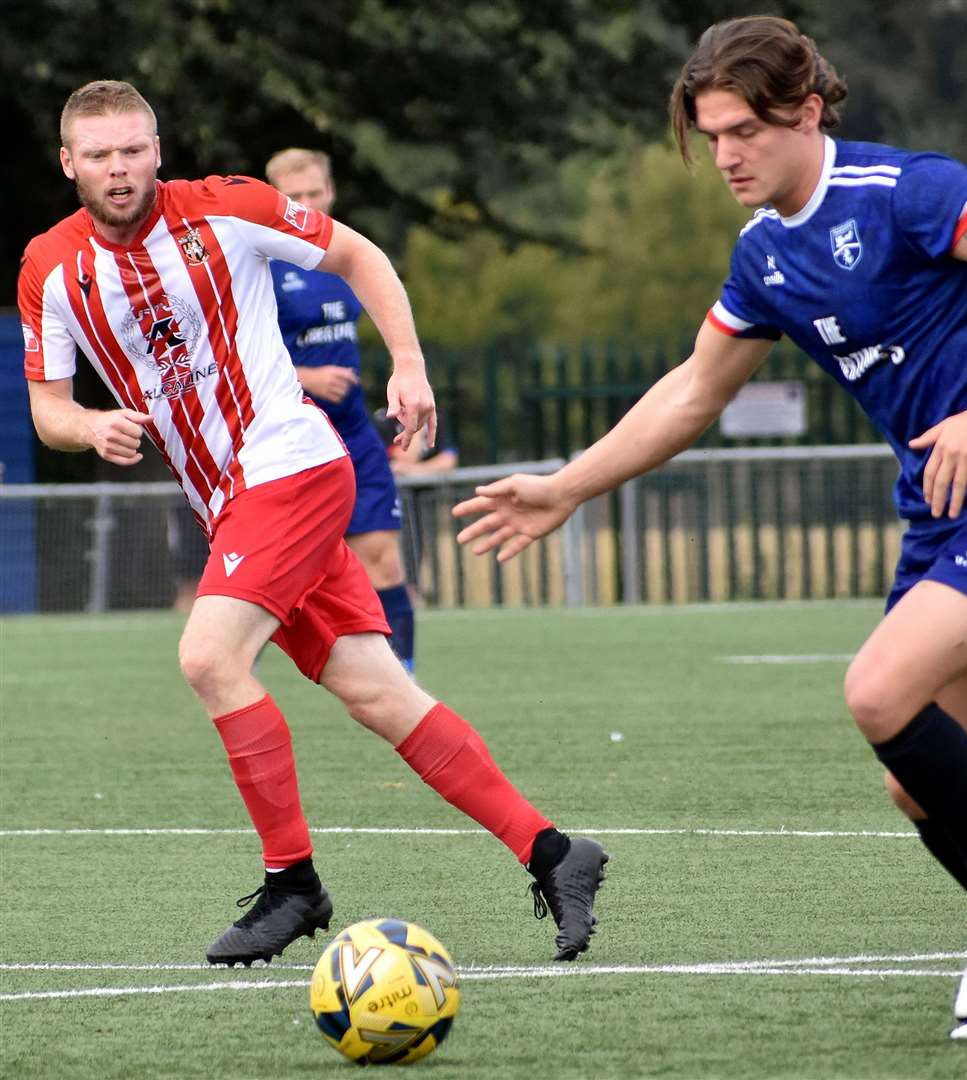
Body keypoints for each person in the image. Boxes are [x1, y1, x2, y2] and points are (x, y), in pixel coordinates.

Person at [455, 16, 967, 1038]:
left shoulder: (901, 192)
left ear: (805, 112)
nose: (725, 155)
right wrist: (567, 486)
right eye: (710, 134)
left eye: (743, 131)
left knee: (875, 691)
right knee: (919, 789)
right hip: (942, 512)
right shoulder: (764, 253)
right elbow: (692, 389)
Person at [19, 79, 608, 967]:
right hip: (232, 502)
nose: (119, 168)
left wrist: (407, 365)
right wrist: (89, 425)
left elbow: (361, 256)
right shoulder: (48, 269)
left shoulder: (228, 210)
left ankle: (293, 884)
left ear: (156, 149)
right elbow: (46, 407)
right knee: (379, 692)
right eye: (98, 154)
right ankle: (553, 851)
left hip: (289, 463)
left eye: (133, 148)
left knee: (208, 657)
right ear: (69, 164)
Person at [264, 148, 418, 673]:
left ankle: (405, 682)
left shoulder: (344, 256)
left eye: (314, 194)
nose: (306, 206)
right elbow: (229, 352)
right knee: (274, 576)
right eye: (293, 198)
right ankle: (237, 669)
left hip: (354, 435)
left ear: (330, 193)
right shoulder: (259, 265)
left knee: (383, 558)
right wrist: (304, 377)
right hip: (288, 443)